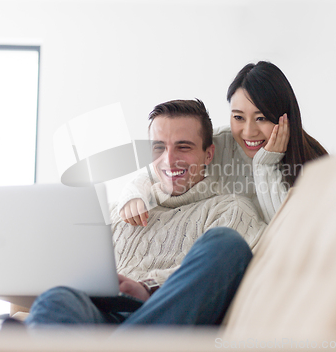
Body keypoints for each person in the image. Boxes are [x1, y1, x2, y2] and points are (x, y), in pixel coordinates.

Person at [25, 99, 265, 327]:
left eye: (183, 147)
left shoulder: (229, 209)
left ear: (208, 154)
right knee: (55, 300)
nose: (169, 160)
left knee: (227, 245)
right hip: (98, 320)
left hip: (165, 317)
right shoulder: (117, 211)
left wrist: (149, 287)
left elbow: (227, 272)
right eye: (158, 148)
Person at [119, 61, 328, 225]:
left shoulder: (312, 163)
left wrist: (265, 165)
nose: (248, 132)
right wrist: (134, 197)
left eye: (261, 118)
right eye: (238, 117)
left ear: (284, 117)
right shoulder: (218, 144)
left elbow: (283, 231)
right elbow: (154, 173)